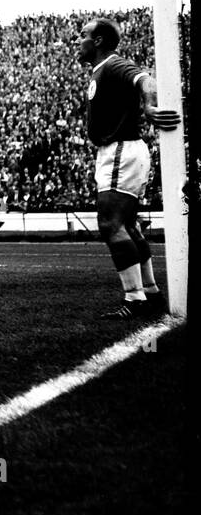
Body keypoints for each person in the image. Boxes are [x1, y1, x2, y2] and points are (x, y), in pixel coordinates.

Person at [75, 16, 180, 317]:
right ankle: (149, 291)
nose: (77, 40)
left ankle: (134, 299)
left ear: (98, 41)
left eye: (83, 35)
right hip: (119, 150)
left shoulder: (112, 65)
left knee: (111, 224)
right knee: (128, 225)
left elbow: (145, 79)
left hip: (120, 149)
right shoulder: (100, 70)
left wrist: (149, 105)